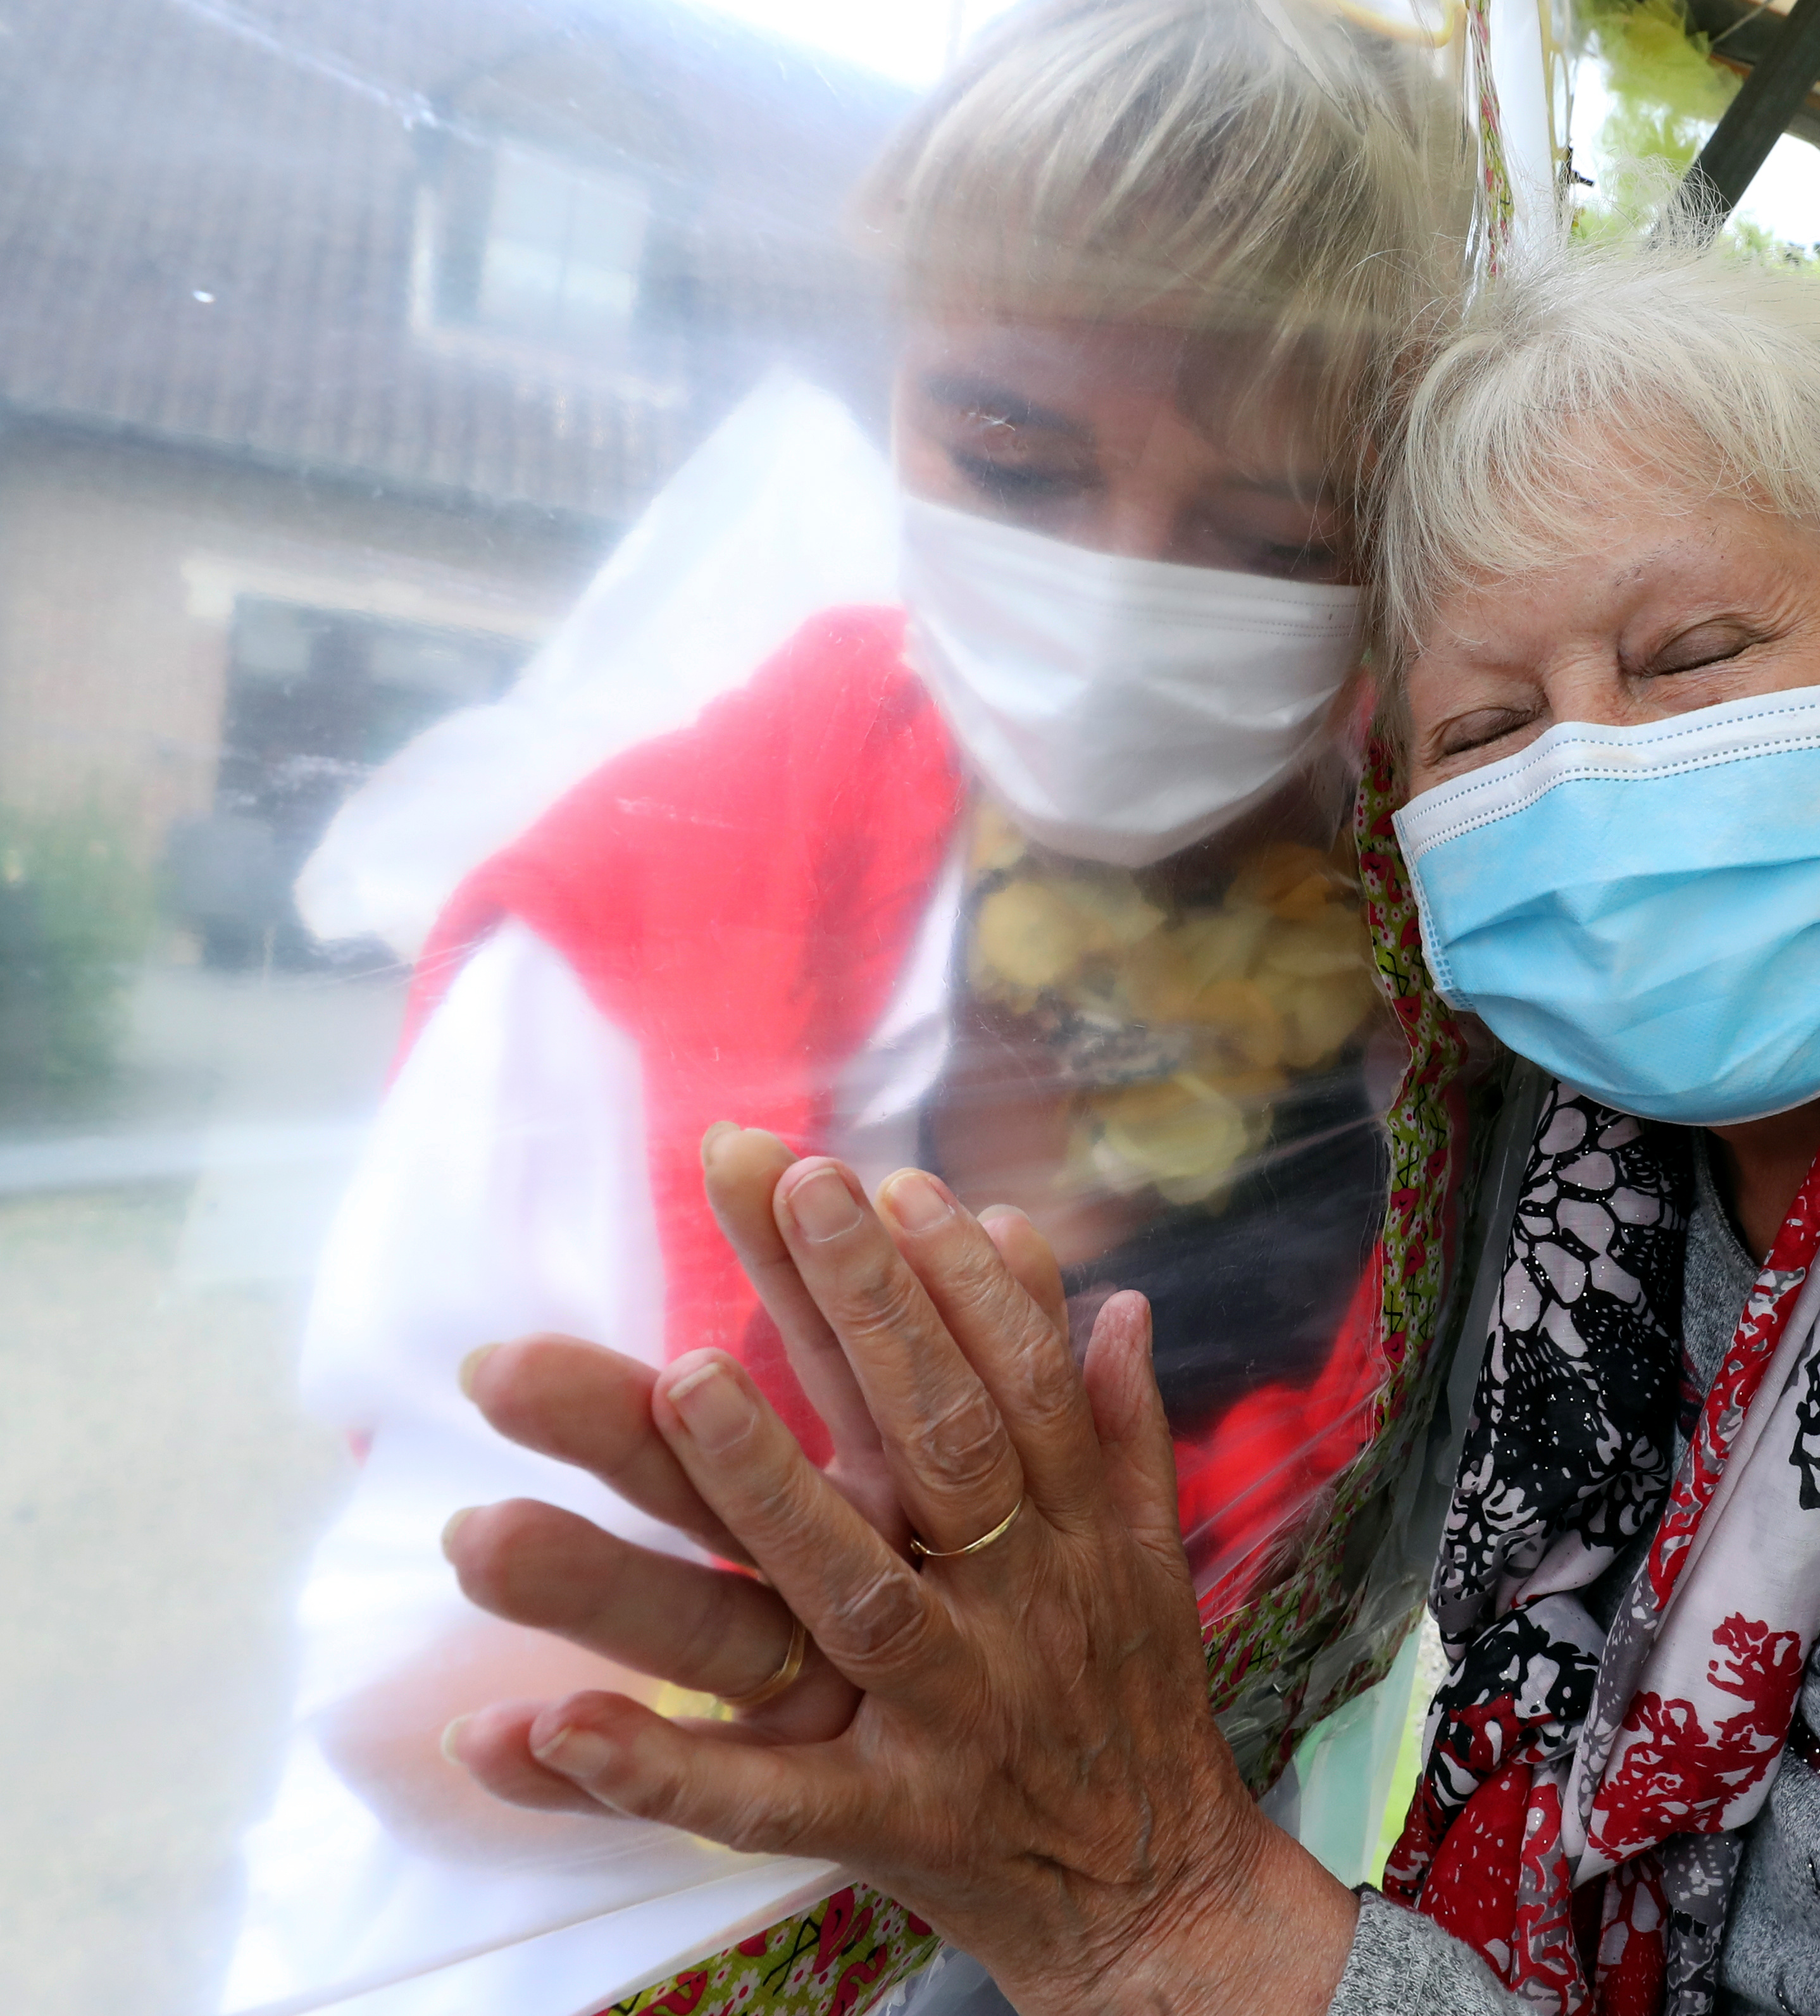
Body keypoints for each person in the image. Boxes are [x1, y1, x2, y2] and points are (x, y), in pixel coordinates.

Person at [440, 232, 1820, 2015]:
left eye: (1691, 654)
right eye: (1488, 724)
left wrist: (1170, 1922)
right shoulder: (1542, 1096)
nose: (1585, 782)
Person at [226, 6, 1473, 2010]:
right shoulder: (638, 915)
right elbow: (405, 1679)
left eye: (1276, 538)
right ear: (892, 382)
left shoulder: (1458, 1018)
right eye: (1011, 453)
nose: (1124, 586)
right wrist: (912, 1719)